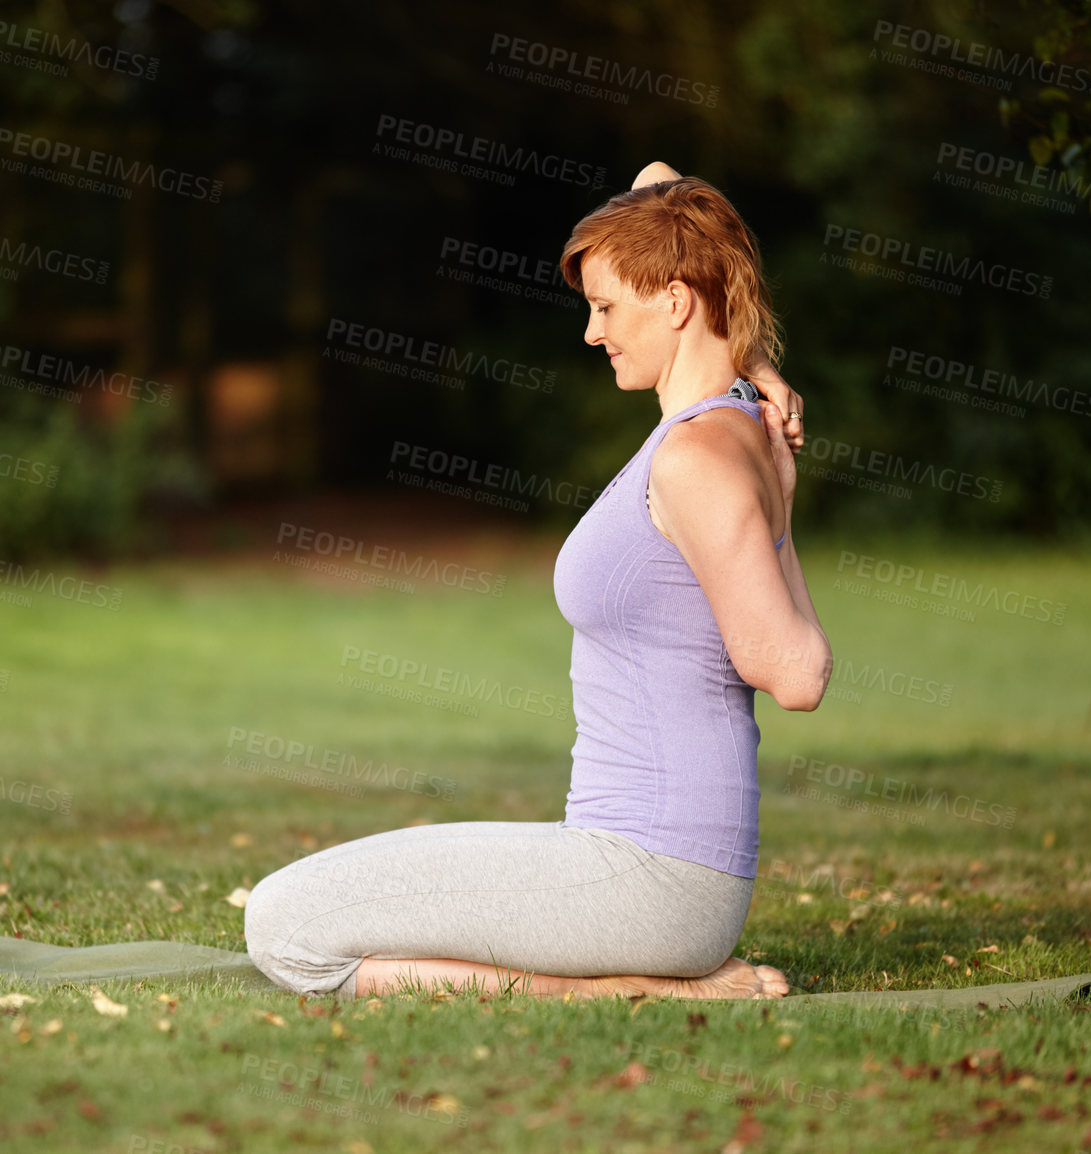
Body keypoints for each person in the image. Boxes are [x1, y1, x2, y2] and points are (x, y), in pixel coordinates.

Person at [244, 163, 832, 1001]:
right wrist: (752, 352)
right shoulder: (716, 424)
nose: (593, 333)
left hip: (651, 879)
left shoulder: (701, 456)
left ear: (674, 303)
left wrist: (779, 520)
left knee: (283, 927)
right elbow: (661, 186)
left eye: (606, 308)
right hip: (626, 857)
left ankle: (621, 990)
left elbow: (796, 674)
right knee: (296, 909)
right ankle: (631, 975)